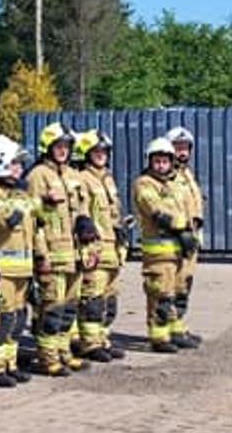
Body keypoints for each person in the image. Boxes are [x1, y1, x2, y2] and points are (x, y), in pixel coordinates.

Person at [25, 124, 88, 375]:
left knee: (69, 307)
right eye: (58, 146)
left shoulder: (74, 175)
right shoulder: (37, 176)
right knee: (51, 308)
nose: (63, 151)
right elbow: (33, 219)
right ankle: (47, 358)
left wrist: (86, 229)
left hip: (74, 255)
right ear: (47, 148)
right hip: (52, 255)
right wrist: (41, 255)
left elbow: (82, 210)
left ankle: (64, 352)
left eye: (66, 147)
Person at [0, 137, 36, 388]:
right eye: (14, 164)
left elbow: (39, 218)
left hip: (22, 270)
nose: (19, 169)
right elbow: (8, 220)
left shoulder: (16, 194)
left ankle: (9, 363)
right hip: (1, 272)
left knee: (15, 318)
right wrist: (25, 199)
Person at [70, 129, 125, 363]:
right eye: (96, 151)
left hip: (113, 249)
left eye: (104, 151)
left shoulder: (107, 178)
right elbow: (80, 212)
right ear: (86, 153)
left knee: (109, 299)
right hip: (96, 249)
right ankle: (88, 344)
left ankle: (102, 339)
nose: (101, 155)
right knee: (92, 298)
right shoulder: (82, 178)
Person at [133, 138, 192, 353]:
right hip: (158, 254)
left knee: (176, 294)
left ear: (171, 162)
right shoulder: (144, 183)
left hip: (176, 252)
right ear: (150, 162)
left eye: (164, 162)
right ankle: (159, 337)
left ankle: (174, 332)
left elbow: (185, 209)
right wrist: (182, 228)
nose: (160, 166)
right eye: (156, 161)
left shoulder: (174, 184)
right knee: (160, 295)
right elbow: (157, 211)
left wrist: (189, 234)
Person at [164, 126, 205, 347]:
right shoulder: (167, 176)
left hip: (191, 238)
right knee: (171, 286)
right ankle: (169, 329)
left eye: (185, 148)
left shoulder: (187, 174)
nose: (182, 152)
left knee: (184, 285)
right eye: (178, 147)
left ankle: (179, 326)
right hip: (175, 240)